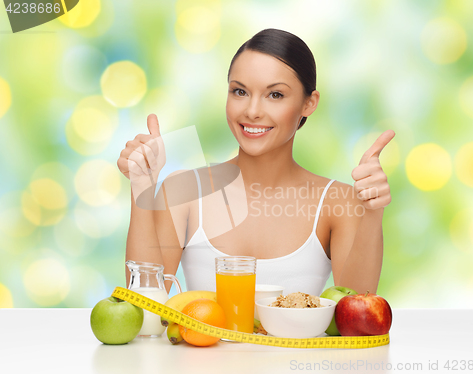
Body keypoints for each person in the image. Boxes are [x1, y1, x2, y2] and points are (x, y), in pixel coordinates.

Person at [118, 28, 394, 296]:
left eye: (275, 95)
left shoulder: (338, 202)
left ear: (309, 103)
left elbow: (357, 311)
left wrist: (373, 211)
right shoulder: (184, 192)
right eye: (240, 92)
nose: (252, 111)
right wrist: (142, 185)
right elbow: (143, 309)